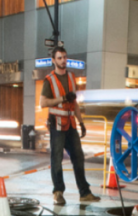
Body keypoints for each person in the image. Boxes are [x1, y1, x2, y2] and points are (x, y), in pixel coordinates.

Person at [39, 47, 101, 207]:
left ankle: (84, 193)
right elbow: (43, 103)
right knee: (57, 159)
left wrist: (81, 122)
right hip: (57, 125)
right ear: (54, 60)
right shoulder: (49, 80)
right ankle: (58, 193)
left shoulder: (72, 77)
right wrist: (62, 98)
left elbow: (75, 104)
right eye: (59, 58)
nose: (63, 60)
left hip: (71, 124)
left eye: (65, 57)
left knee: (78, 157)